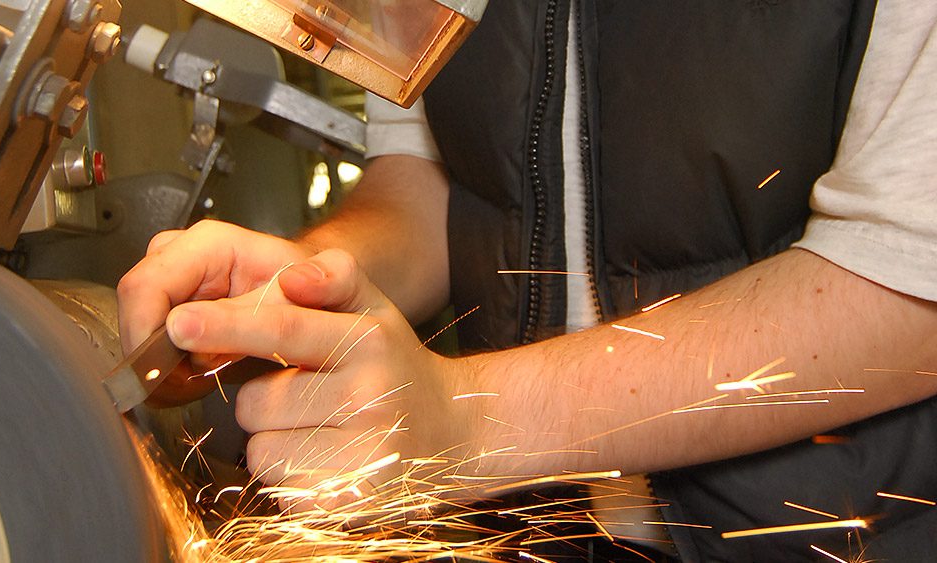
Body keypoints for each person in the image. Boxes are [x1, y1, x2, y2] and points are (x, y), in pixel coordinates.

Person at [118, 1, 937, 560]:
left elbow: (905, 279)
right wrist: (307, 282)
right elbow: (432, 178)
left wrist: (466, 416)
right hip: (525, 526)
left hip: (829, 534)